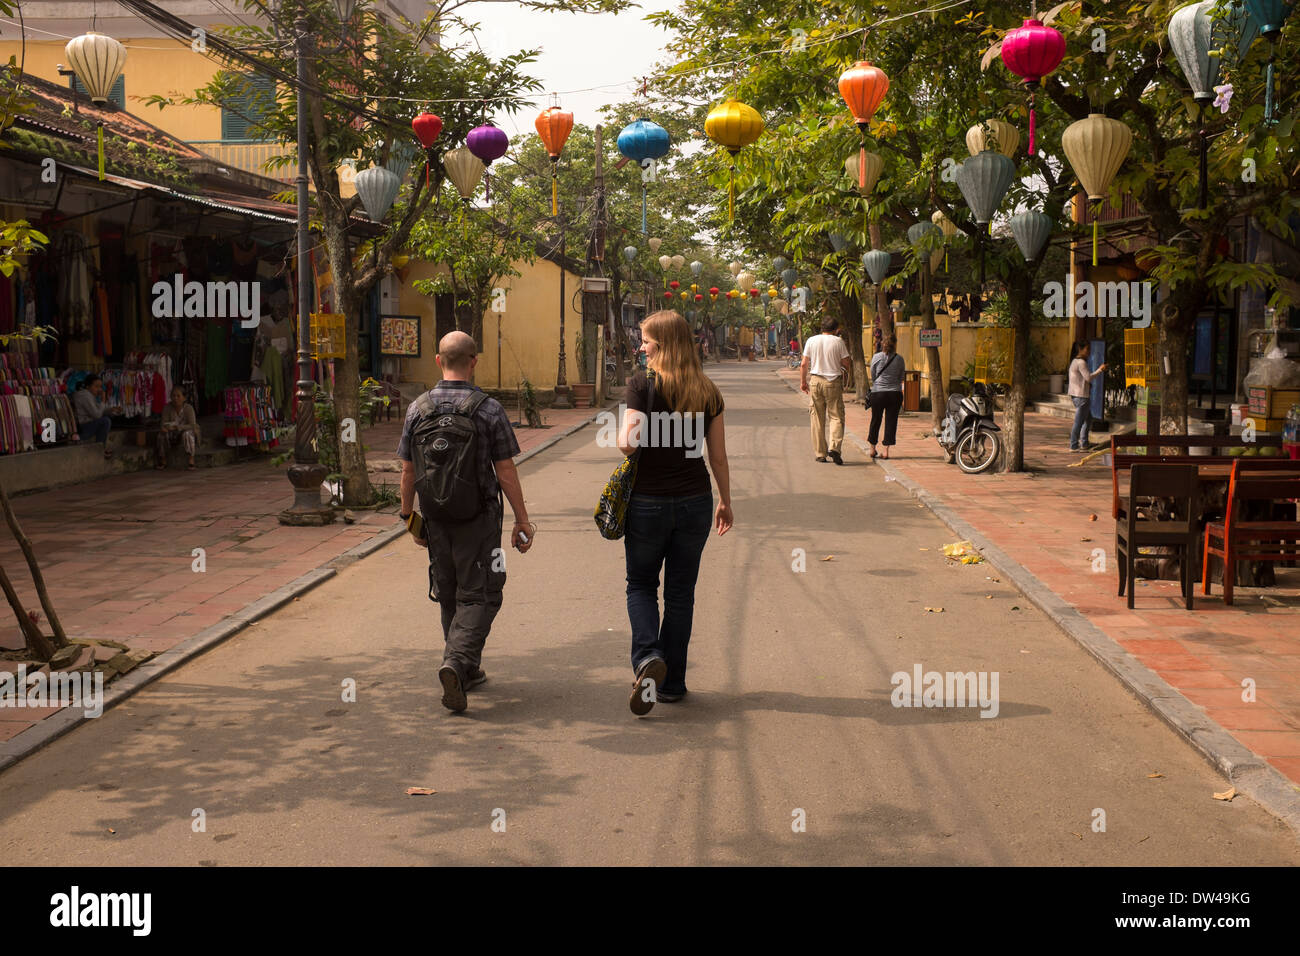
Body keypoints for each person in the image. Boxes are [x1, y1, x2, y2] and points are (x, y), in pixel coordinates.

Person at [398, 330, 533, 714]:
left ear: (439, 361)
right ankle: (456, 663)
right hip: (480, 521)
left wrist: (410, 518)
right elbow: (505, 471)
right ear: (474, 361)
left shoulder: (417, 409)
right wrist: (522, 519)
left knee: (449, 591)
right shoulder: (488, 409)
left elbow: (407, 472)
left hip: (436, 520)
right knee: (484, 593)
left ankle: (464, 668)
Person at [618, 311, 731, 716]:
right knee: (680, 594)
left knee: (641, 586)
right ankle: (673, 683)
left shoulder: (640, 384)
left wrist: (635, 424)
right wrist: (725, 500)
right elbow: (716, 455)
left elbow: (628, 445)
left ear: (662, 345)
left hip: (647, 502)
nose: (641, 347)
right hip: (695, 501)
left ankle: (648, 656)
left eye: (646, 341)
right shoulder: (707, 390)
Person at [799, 315, 851, 464]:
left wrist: (803, 382)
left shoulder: (811, 340)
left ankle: (820, 453)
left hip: (815, 381)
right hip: (833, 382)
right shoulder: (838, 341)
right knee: (836, 416)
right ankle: (834, 447)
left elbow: (803, 364)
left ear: (822, 328)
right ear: (836, 329)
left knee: (816, 418)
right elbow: (846, 363)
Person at [867, 335, 905, 460]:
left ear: (883, 344)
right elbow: (901, 377)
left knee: (875, 420)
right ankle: (886, 451)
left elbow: (873, 375)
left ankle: (872, 449)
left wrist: (879, 384)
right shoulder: (899, 359)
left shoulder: (876, 357)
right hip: (895, 394)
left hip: (878, 393)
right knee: (891, 421)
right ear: (895, 344)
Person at [1068, 341, 1107, 451]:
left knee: (1088, 419)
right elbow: (1088, 377)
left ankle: (1084, 443)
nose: (1089, 352)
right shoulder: (1081, 362)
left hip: (1077, 395)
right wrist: (1100, 369)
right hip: (1081, 396)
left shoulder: (1075, 361)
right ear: (1080, 349)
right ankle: (1073, 445)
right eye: (1087, 349)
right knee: (1079, 421)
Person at [71, 374, 117, 458]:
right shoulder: (84, 396)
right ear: (88, 386)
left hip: (89, 423)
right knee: (105, 421)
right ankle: (84, 438)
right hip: (84, 425)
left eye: (100, 387)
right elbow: (97, 415)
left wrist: (111, 410)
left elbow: (98, 410)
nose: (99, 390)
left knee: (109, 417)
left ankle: (100, 447)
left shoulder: (90, 395)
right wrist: (103, 400)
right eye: (96, 386)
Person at [156, 386, 200, 470]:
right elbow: (163, 423)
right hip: (171, 432)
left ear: (184, 398)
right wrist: (164, 428)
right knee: (161, 435)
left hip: (185, 431)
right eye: (173, 396)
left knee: (187, 434)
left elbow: (192, 425)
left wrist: (178, 427)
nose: (175, 398)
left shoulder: (188, 408)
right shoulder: (167, 408)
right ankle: (163, 459)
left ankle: (191, 459)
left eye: (178, 396)